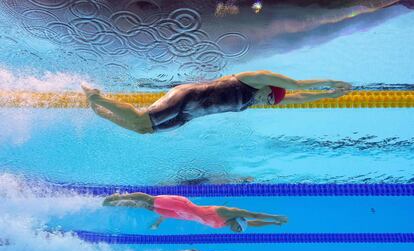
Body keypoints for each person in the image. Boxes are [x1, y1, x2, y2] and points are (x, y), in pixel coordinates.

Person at [82, 70, 352, 134]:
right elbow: (296, 86)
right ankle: (97, 95)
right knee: (142, 118)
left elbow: (297, 98)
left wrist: (327, 96)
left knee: (144, 130)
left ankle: (98, 110)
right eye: (271, 97)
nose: (269, 102)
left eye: (271, 102)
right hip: (187, 96)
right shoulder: (251, 80)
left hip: (190, 115)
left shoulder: (256, 100)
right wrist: (328, 83)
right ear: (269, 88)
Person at [102, 192, 288, 232]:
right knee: (148, 199)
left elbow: (253, 223)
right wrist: (274, 216)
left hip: (181, 215)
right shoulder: (225, 212)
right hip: (183, 206)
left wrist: (272, 224)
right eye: (239, 228)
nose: (238, 231)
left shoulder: (223, 224)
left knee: (147, 207)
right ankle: (118, 196)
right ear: (236, 221)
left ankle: (117, 203)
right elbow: (253, 216)